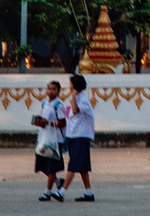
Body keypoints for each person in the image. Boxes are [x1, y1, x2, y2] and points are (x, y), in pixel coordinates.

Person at [30, 80, 66, 202]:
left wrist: (48, 123)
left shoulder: (59, 105)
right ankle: (57, 181)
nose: (51, 91)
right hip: (44, 137)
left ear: (58, 91)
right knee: (41, 164)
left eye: (54, 89)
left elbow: (62, 122)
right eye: (49, 88)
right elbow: (43, 119)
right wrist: (40, 122)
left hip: (55, 140)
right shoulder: (45, 104)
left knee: (52, 166)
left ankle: (47, 191)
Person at [62, 73, 96, 202]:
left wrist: (74, 96)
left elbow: (75, 111)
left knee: (73, 164)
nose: (69, 87)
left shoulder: (82, 99)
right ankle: (89, 192)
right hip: (73, 134)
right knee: (82, 167)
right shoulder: (77, 98)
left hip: (81, 135)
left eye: (71, 85)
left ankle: (62, 191)